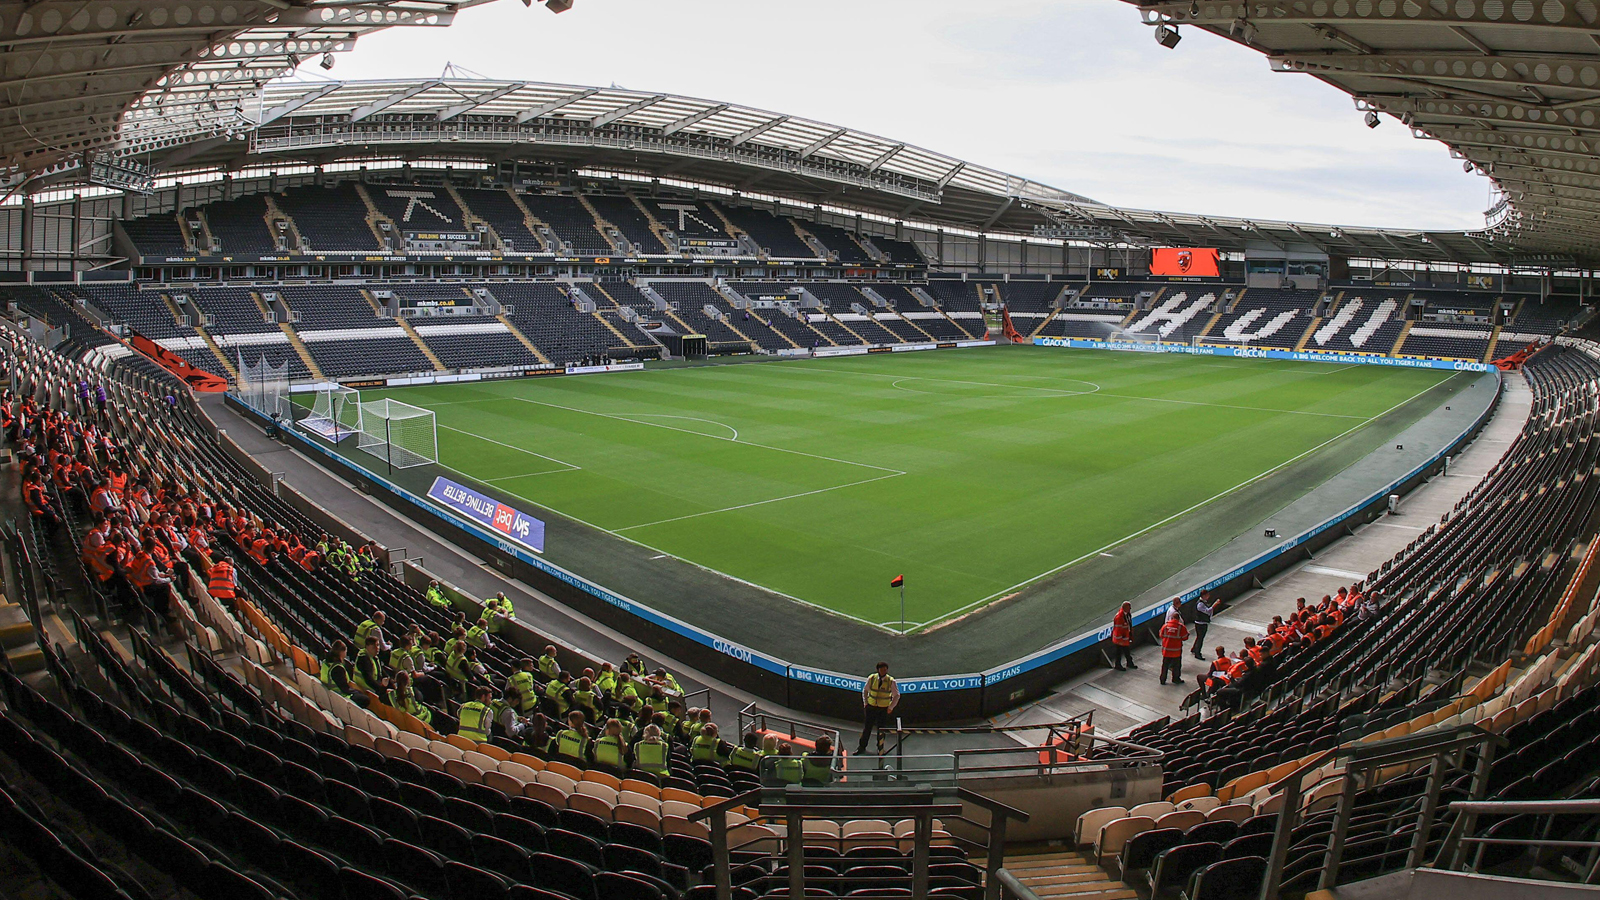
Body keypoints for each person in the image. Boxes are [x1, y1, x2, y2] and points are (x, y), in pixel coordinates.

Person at [855, 661, 899, 755]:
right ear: (878, 670)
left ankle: (880, 748)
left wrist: (891, 707)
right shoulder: (872, 678)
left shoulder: (891, 681)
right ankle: (861, 747)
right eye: (882, 669)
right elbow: (865, 690)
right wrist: (866, 702)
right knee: (867, 728)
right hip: (871, 707)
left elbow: (896, 695)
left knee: (881, 729)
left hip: (883, 709)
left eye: (885, 669)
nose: (884, 671)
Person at [1159, 606, 1189, 686]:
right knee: (1176, 666)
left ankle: (1162, 679)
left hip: (1166, 651)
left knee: (1165, 666)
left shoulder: (1165, 626)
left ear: (1171, 618)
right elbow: (1185, 637)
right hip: (1176, 651)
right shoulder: (1181, 627)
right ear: (1178, 618)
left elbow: (1161, 635)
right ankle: (1175, 679)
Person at [1192, 590, 1222, 660]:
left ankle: (1194, 649)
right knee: (1200, 638)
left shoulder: (1202, 603)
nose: (1208, 596)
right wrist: (1215, 604)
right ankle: (1197, 653)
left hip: (1202, 623)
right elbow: (1207, 611)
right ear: (1204, 596)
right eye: (1207, 595)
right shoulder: (1200, 604)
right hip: (1200, 624)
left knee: (1199, 637)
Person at [1111, 601, 1136, 671]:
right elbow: (1118, 630)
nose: (1130, 608)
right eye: (1129, 607)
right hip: (1120, 639)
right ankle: (1119, 665)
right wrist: (1121, 639)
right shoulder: (1119, 617)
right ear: (1125, 607)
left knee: (1125, 651)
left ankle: (1128, 663)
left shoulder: (1126, 615)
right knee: (1119, 652)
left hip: (1124, 638)